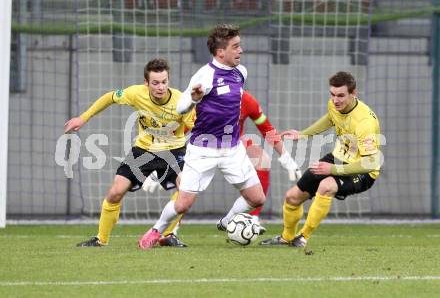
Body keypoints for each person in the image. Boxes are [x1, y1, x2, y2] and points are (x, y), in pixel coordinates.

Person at [137, 24, 267, 249]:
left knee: (257, 198)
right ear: (220, 52)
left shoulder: (240, 72)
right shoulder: (205, 75)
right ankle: (156, 230)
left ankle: (227, 222)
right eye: (235, 47)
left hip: (232, 149)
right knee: (183, 204)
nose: (240, 50)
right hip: (202, 149)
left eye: (239, 45)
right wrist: (195, 98)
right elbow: (180, 108)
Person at [64, 58, 195, 247]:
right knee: (115, 192)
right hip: (143, 150)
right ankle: (101, 239)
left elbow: (196, 128)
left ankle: (167, 235)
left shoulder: (181, 101)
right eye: (155, 83)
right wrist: (83, 118)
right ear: (146, 83)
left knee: (185, 191)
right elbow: (109, 97)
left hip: (174, 151)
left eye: (164, 82)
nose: (160, 87)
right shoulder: (136, 93)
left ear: (169, 80)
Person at [149, 90, 302, 247]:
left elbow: (266, 129)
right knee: (185, 186)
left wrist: (286, 158)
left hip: (232, 147)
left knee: (262, 159)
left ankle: (250, 218)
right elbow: (181, 130)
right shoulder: (204, 98)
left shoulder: (247, 100)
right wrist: (160, 164)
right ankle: (170, 231)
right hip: (203, 147)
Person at [260, 71, 381, 247]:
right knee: (292, 197)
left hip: (363, 172)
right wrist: (303, 134)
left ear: (353, 94)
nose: (335, 100)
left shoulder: (365, 123)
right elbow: (330, 119)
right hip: (337, 159)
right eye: (332, 94)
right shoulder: (334, 105)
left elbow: (371, 163)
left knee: (326, 186)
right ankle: (286, 238)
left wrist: (332, 170)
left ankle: (303, 237)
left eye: (341, 95)